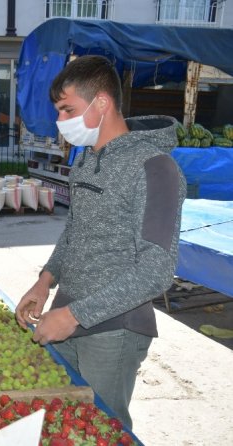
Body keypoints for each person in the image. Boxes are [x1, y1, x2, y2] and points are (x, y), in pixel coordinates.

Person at [15, 55, 186, 429]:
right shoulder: (87, 160)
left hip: (114, 329)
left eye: (67, 110)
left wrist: (74, 316)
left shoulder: (155, 168)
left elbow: (156, 272)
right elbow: (76, 228)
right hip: (65, 314)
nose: (61, 123)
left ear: (102, 103)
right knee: (61, 422)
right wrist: (45, 281)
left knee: (101, 428)